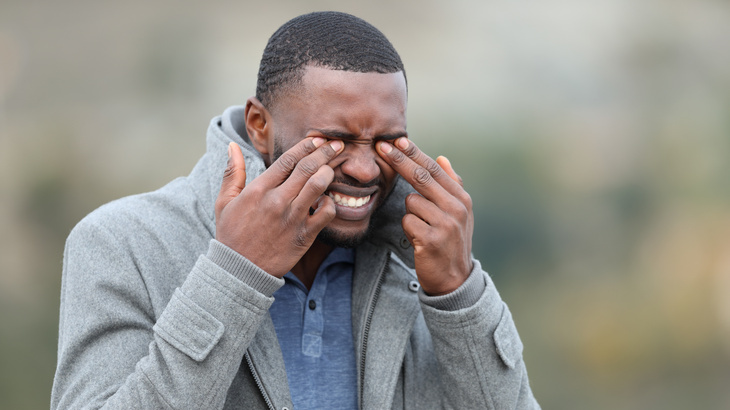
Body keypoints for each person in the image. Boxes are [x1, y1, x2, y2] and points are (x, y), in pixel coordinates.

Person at [51, 11, 539, 410]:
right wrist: (234, 274)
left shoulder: (420, 258)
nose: (365, 170)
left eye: (387, 141)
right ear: (259, 125)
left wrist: (458, 293)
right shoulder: (121, 243)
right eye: (335, 141)